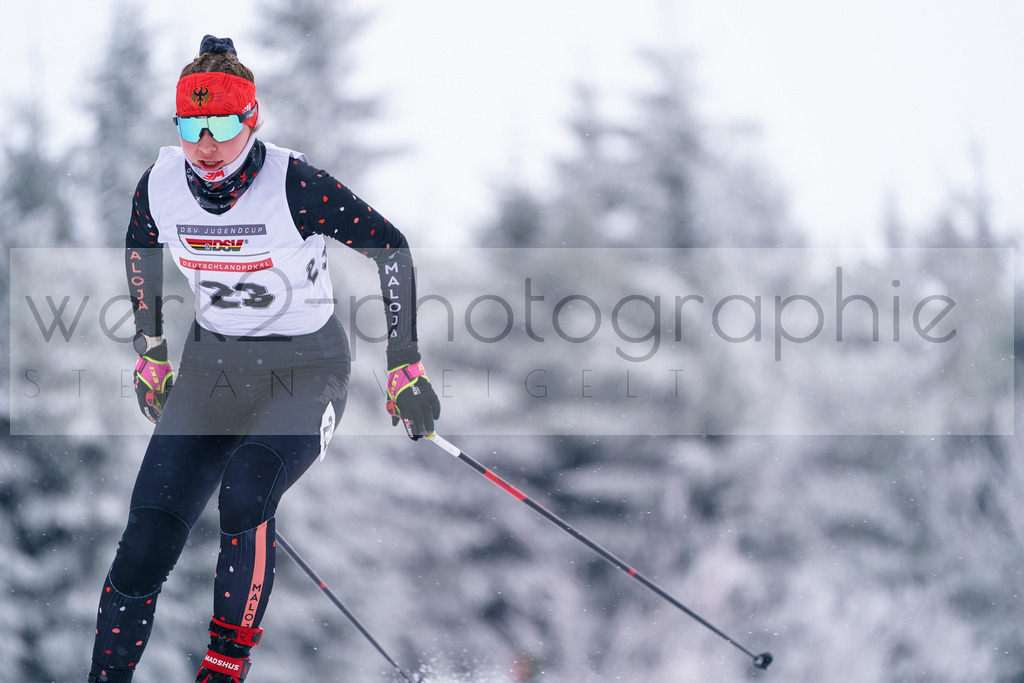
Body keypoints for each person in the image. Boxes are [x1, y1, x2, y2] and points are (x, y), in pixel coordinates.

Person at [88, 35, 440, 683]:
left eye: (222, 123)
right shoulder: (160, 186)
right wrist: (152, 350)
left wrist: (405, 363)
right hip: (213, 372)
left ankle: (223, 669)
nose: (207, 143)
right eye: (191, 125)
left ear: (252, 118)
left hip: (307, 368)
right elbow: (141, 247)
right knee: (145, 541)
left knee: (248, 487)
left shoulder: (295, 184)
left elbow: (391, 246)